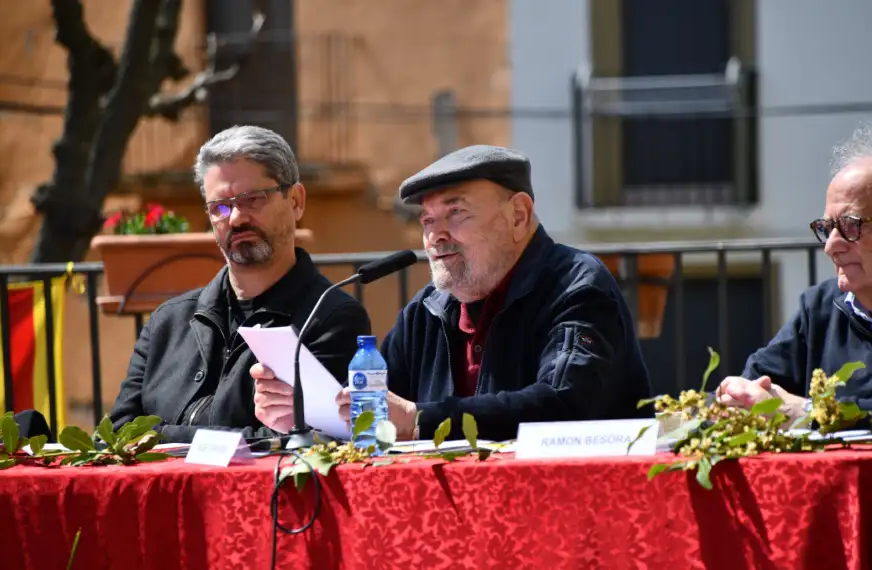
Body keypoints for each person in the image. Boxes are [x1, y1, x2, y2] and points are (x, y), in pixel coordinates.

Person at [253, 144, 652, 442]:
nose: (435, 235)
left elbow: (564, 404)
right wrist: (308, 415)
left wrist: (422, 419)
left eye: (456, 213)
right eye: (427, 220)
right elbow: (382, 411)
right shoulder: (427, 309)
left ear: (518, 215)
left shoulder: (576, 285)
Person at [108, 125, 371, 443]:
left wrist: (163, 438)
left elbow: (302, 442)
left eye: (252, 200)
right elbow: (117, 434)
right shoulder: (167, 321)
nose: (235, 218)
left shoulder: (331, 318)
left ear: (296, 201)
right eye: (220, 207)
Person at [717, 122, 872, 421]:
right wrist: (739, 394)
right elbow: (759, 381)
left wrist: (803, 411)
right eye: (826, 229)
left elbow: (789, 409)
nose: (831, 247)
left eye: (851, 225)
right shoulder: (819, 308)